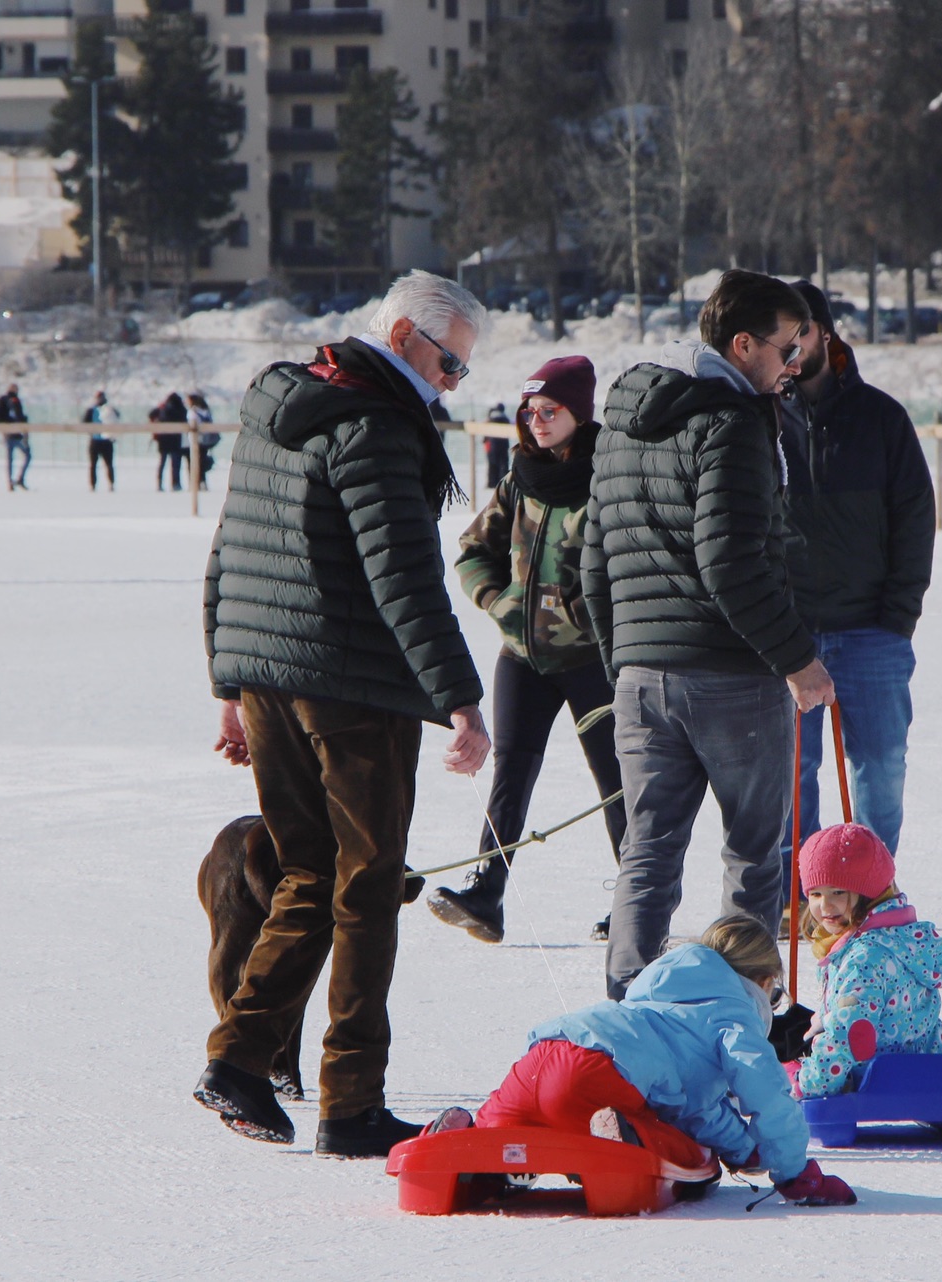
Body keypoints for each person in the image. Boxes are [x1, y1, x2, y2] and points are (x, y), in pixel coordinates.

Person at [194, 269, 493, 1158]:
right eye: (447, 364)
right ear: (401, 338)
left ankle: (242, 1061)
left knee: (309, 878)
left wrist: (228, 682)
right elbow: (403, 575)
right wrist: (460, 699)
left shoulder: (280, 404)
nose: (449, 385)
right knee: (366, 893)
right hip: (352, 685)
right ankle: (351, 1102)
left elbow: (227, 552)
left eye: (461, 374)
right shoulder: (378, 425)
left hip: (270, 678)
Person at [582, 268, 835, 1000]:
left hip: (640, 675)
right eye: (786, 349)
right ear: (744, 344)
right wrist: (797, 660)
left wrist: (622, 657)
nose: (791, 367)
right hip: (731, 675)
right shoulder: (733, 423)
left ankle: (629, 1007)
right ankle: (742, 1008)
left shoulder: (620, 427)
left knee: (648, 850)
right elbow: (730, 563)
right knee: (755, 855)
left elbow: (592, 559)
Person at [422, 915, 856, 1207]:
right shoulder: (733, 1011)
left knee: (501, 1138)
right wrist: (790, 1169)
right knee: (684, 1150)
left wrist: (746, 1151)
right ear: (762, 982)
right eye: (772, 995)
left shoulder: (655, 991)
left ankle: (456, 1139)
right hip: (601, 1080)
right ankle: (620, 1136)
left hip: (544, 1054)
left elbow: (705, 1105)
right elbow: (746, 1094)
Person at [433, 356, 626, 945]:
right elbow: (470, 551)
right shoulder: (520, 479)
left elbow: (630, 569)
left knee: (616, 779)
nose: (537, 421)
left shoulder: (609, 482)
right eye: (530, 411)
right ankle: (487, 891)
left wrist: (588, 619)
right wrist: (500, 602)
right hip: (523, 658)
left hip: (592, 663)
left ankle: (637, 901)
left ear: (579, 414)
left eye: (550, 411)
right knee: (511, 772)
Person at [777, 282, 936, 905]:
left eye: (801, 334)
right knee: (791, 778)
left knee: (881, 772)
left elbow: (915, 519)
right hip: (786, 636)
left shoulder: (881, 417)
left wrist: (897, 618)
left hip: (871, 632)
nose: (791, 350)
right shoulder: (758, 419)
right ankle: (802, 895)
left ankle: (869, 891)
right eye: (780, 339)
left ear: (825, 332)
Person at [791, 823, 942, 1099]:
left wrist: (806, 1085)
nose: (825, 906)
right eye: (816, 894)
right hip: (929, 1068)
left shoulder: (865, 957)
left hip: (872, 1076)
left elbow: (848, 1032)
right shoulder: (903, 938)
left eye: (838, 892)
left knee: (795, 1066)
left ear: (870, 894)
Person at [0, 382, 30, 491]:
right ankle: (14, 481)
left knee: (14, 458)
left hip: (14, 434)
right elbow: (17, 416)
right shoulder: (9, 401)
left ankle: (16, 480)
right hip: (12, 434)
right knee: (15, 457)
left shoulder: (8, 401)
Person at [84, 390, 120, 491]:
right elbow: (85, 422)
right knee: (93, 465)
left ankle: (111, 484)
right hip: (95, 440)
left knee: (109, 464)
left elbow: (117, 418)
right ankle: (93, 485)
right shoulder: (92, 410)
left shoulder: (109, 409)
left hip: (107, 440)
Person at [153, 391, 187, 491]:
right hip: (176, 440)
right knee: (176, 464)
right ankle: (176, 483)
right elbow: (185, 421)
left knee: (162, 463)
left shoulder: (163, 408)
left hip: (163, 440)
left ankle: (159, 483)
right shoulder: (181, 409)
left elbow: (152, 414)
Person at [187, 392, 220, 491]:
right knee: (202, 461)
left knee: (195, 462)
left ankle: (196, 483)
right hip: (206, 440)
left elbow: (193, 425)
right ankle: (203, 482)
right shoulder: (206, 411)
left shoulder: (193, 412)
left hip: (197, 440)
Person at [483, 400, 511, 488]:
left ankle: (491, 483)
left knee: (492, 464)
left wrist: (485, 440)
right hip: (503, 445)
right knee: (503, 463)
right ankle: (504, 483)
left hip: (492, 445)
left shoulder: (490, 419)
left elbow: (486, 434)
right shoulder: (506, 419)